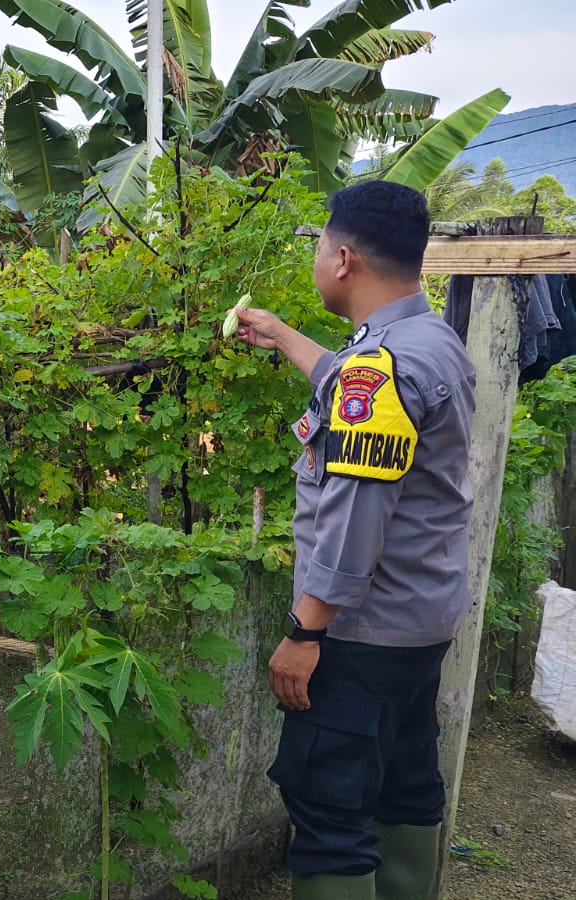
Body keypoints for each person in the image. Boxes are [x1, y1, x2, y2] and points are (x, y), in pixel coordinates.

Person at [233, 180, 475, 900]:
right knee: (406, 789)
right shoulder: (427, 343)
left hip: (359, 637)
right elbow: (352, 384)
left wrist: (306, 631)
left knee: (332, 815)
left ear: (343, 259)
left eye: (316, 247)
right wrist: (279, 335)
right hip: (419, 625)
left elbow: (356, 515)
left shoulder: (383, 368)